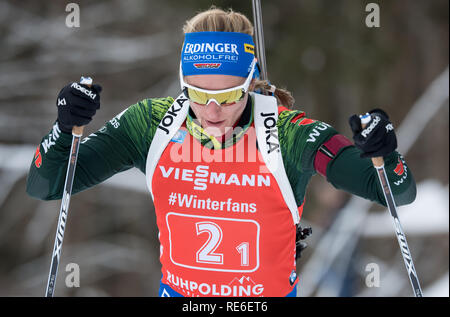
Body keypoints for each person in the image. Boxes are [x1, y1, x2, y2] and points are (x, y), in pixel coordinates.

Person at [26, 7, 416, 297]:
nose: (213, 112)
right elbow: (47, 184)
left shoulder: (286, 131)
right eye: (198, 93)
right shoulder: (150, 124)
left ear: (250, 81)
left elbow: (394, 191)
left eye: (228, 96)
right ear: (183, 81)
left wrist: (383, 152)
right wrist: (65, 130)